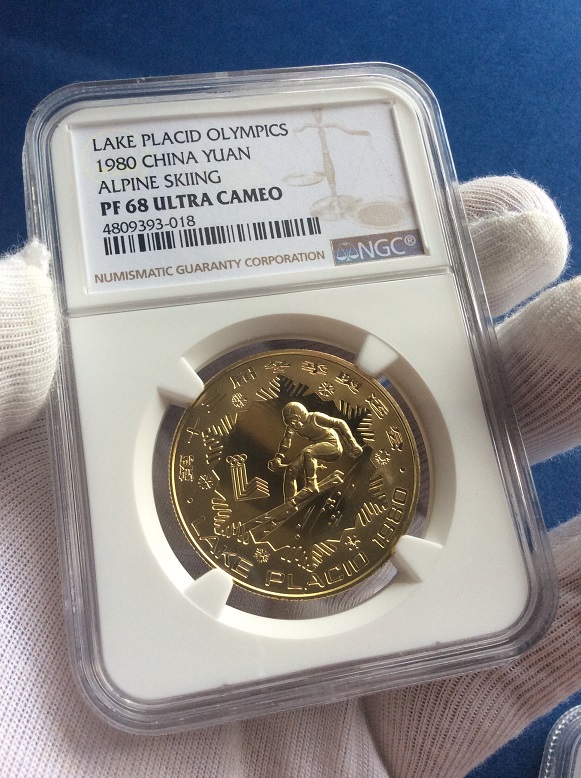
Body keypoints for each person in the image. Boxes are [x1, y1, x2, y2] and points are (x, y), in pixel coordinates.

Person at [1, 176, 580, 777]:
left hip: (344, 468)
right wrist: (286, 463)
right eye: (295, 420)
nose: (294, 424)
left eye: (297, 420)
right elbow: (293, 450)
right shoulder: (301, 429)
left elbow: (337, 445)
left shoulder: (323, 428)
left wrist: (322, 467)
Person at [268, 401, 364, 500]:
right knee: (291, 469)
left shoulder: (315, 418)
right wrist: (278, 457)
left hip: (333, 446)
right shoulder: (293, 427)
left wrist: (353, 443)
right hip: (317, 448)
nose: (292, 424)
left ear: (301, 415)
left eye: (294, 419)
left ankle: (311, 485)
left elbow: (340, 423)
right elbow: (287, 440)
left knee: (309, 452)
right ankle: (289, 500)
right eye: (288, 421)